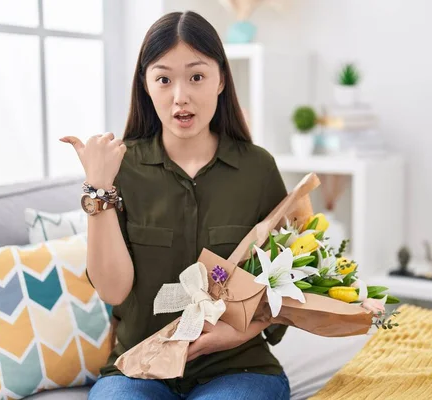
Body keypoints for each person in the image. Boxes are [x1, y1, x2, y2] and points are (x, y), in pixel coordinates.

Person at [61, 10, 291, 400]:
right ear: (146, 85)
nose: (180, 96)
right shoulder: (122, 168)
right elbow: (114, 291)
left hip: (239, 368)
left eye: (196, 76)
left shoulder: (259, 168)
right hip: (137, 371)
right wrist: (99, 189)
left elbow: (287, 284)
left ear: (221, 79)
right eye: (164, 79)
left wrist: (239, 331)